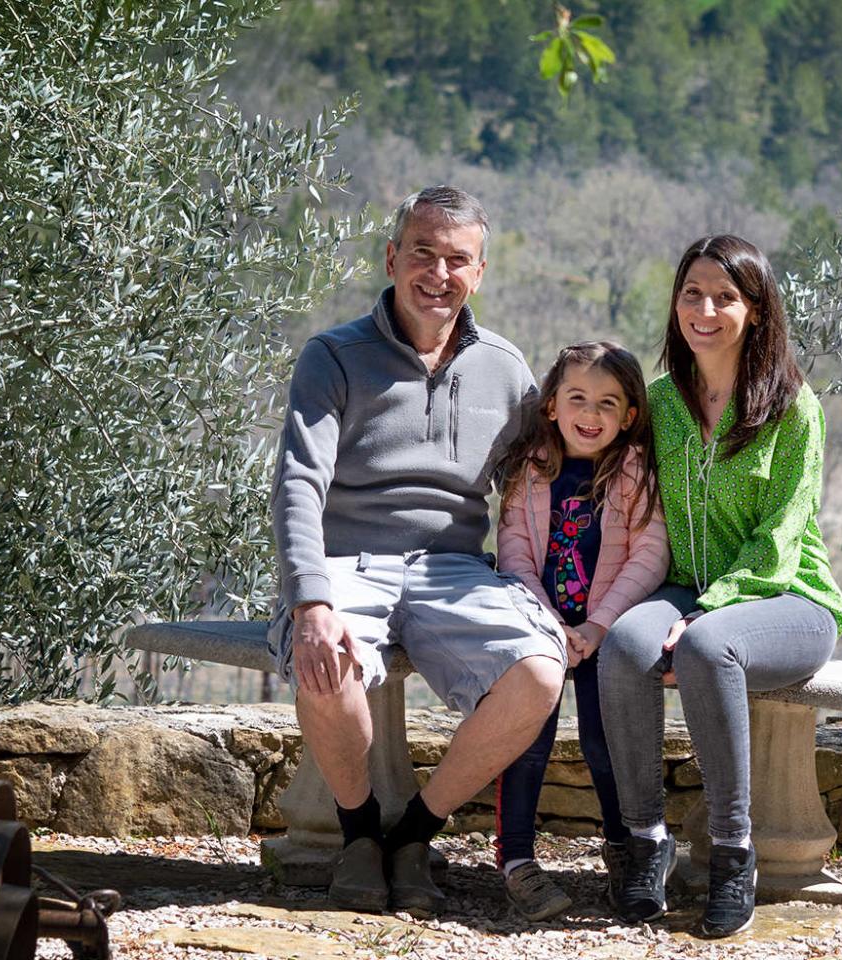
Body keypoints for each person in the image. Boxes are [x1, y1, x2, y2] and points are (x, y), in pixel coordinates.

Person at [270, 185, 566, 916]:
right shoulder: (333, 356)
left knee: (537, 671)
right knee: (327, 657)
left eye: (457, 259)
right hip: (347, 564)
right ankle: (359, 832)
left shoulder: (505, 367)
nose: (438, 273)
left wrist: (548, 593)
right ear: (392, 257)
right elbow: (297, 484)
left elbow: (539, 486)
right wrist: (310, 601)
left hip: (455, 571)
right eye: (423, 253)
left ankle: (414, 832)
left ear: (480, 273)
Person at [598, 235, 842, 938]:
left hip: (786, 598)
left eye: (725, 296)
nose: (704, 309)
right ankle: (645, 840)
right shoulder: (659, 404)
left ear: (757, 310)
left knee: (709, 648)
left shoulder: (792, 408)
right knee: (624, 645)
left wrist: (709, 609)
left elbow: (779, 536)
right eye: (691, 294)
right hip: (684, 585)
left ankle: (734, 855)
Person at [489, 340, 669, 920]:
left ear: (631, 416)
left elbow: (649, 554)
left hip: (603, 631)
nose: (591, 415)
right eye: (578, 399)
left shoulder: (635, 472)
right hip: (539, 628)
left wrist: (598, 624)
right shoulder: (532, 471)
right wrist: (550, 624)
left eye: (609, 403)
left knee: (603, 740)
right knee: (527, 740)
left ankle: (626, 850)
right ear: (551, 406)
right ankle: (516, 859)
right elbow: (514, 553)